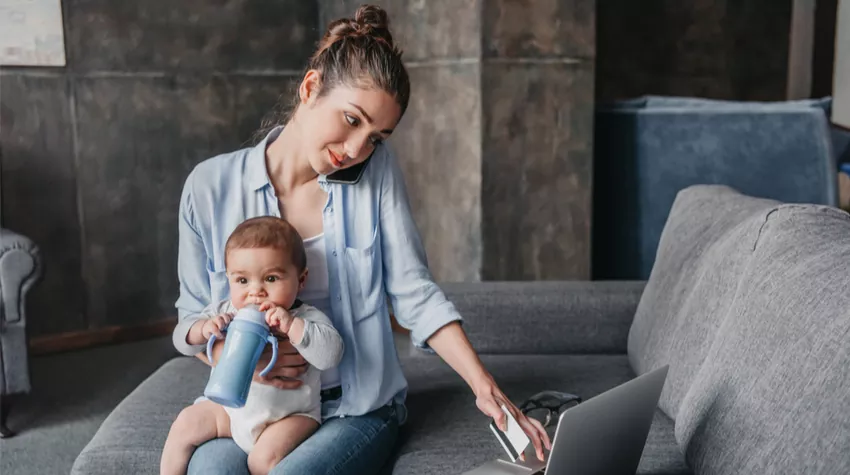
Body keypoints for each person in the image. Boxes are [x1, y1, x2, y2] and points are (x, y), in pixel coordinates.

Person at [173, 4, 550, 474]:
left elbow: (414, 294)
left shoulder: (376, 174)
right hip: (252, 407)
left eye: (376, 137)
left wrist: (483, 385)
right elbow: (192, 317)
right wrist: (234, 358)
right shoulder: (208, 188)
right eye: (352, 120)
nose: (356, 151)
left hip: (356, 409)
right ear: (310, 88)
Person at [163, 217, 343, 475]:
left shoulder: (305, 317)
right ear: (229, 279)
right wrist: (203, 329)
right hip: (231, 412)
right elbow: (181, 339)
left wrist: (291, 326)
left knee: (262, 462)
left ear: (301, 280)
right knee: (185, 424)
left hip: (289, 416)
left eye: (271, 278)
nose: (255, 292)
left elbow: (331, 355)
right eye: (242, 281)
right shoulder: (226, 311)